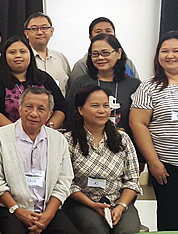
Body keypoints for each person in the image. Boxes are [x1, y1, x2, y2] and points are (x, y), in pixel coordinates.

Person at [129, 31, 178, 231]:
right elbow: (138, 124)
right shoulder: (149, 87)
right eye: (164, 51)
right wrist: (153, 162)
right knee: (172, 221)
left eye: (176, 50)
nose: (169, 56)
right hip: (167, 167)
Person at [0, 87, 77, 234]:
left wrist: (48, 215)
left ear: (49, 114)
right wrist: (17, 210)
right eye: (28, 107)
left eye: (41, 109)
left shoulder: (58, 139)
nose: (34, 113)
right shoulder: (0, 136)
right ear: (19, 109)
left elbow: (64, 181)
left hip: (46, 209)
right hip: (9, 209)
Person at [62, 85, 141, 233]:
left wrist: (121, 206)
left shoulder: (122, 139)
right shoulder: (68, 140)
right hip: (82, 203)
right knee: (96, 229)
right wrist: (92, 205)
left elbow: (132, 180)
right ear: (80, 110)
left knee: (128, 230)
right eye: (95, 106)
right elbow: (66, 183)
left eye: (106, 105)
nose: (102, 110)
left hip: (117, 201)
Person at [0, 37, 66, 141]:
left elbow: (61, 107)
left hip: (43, 139)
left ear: (30, 54)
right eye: (12, 52)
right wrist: (19, 134)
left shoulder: (44, 78)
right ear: (4, 56)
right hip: (7, 140)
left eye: (23, 51)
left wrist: (45, 131)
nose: (18, 56)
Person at [65, 34, 140, 156]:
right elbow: (71, 118)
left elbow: (139, 121)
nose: (100, 58)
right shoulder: (80, 83)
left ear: (119, 53)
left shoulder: (134, 85)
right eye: (95, 54)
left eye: (105, 53)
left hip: (124, 149)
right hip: (85, 150)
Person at [68, 17, 139, 80]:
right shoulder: (82, 65)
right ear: (90, 38)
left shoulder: (128, 63)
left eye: (108, 31)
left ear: (115, 35)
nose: (104, 34)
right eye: (98, 32)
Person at [23, 12, 71, 95]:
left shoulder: (60, 58)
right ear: (26, 34)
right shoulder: (22, 58)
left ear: (51, 31)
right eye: (34, 29)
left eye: (44, 28)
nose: (40, 32)